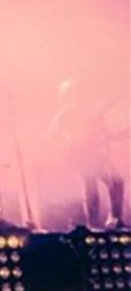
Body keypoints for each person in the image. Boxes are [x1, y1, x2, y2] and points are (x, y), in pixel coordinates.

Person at [48, 78, 126, 230]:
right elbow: (52, 134)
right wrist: (68, 145)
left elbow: (103, 134)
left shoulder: (92, 113)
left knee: (116, 181)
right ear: (67, 95)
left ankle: (115, 218)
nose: (81, 94)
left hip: (94, 153)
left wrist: (107, 135)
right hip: (80, 155)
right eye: (76, 91)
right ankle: (93, 224)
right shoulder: (65, 113)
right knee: (90, 188)